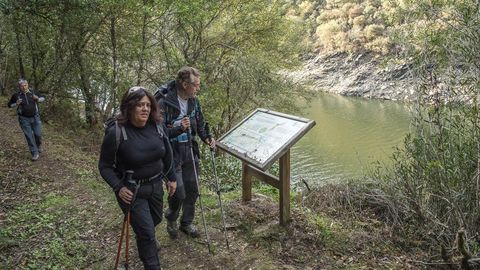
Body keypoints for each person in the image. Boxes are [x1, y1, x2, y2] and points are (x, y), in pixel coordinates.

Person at [98, 86, 177, 270]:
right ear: (129, 107)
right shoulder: (116, 132)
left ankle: (143, 235)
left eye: (148, 105)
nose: (145, 109)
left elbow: (167, 154)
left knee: (155, 221)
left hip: (156, 185)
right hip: (132, 191)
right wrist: (118, 187)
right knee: (148, 234)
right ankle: (152, 263)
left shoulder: (157, 126)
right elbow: (105, 166)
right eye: (140, 104)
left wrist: (171, 177)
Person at [158, 66, 215, 239]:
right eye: (196, 85)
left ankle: (186, 222)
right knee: (179, 192)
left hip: (190, 148)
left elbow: (200, 122)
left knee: (193, 189)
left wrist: (207, 138)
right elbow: (159, 133)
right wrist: (178, 129)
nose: (198, 88)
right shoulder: (164, 102)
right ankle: (171, 217)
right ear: (184, 84)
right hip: (171, 152)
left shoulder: (194, 101)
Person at [7, 79, 45, 161]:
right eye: (22, 86)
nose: (24, 87)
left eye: (25, 85)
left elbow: (43, 98)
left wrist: (37, 99)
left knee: (38, 134)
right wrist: (16, 104)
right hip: (23, 119)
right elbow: (9, 105)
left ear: (27, 85)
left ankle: (38, 146)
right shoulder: (16, 95)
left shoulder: (33, 92)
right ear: (19, 87)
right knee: (29, 136)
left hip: (35, 117)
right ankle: (34, 153)